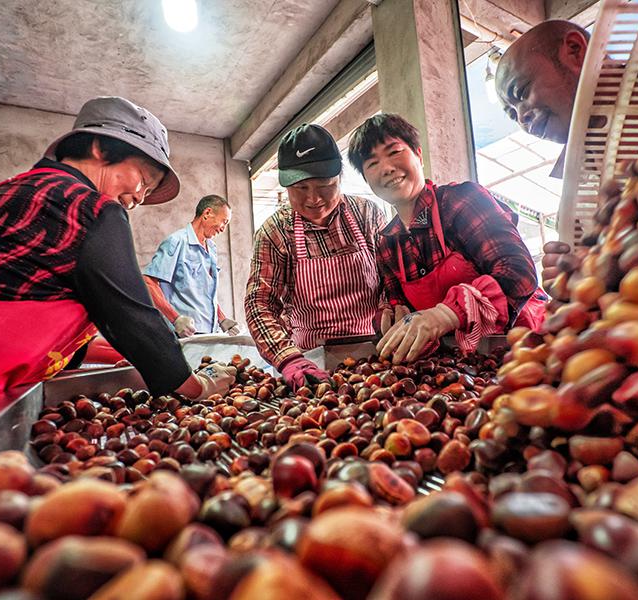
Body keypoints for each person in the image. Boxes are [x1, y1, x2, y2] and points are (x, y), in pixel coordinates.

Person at [0, 96, 235, 450]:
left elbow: (29, 298)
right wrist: (195, 386)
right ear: (100, 149)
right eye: (142, 179)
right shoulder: (90, 208)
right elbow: (130, 315)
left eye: (148, 191)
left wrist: (119, 358)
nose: (138, 197)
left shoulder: (4, 195)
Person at [347, 114, 547, 364]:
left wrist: (446, 314)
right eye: (372, 164)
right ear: (367, 180)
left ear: (418, 154)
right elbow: (400, 304)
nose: (387, 168)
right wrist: (392, 316)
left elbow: (518, 272)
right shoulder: (388, 243)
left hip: (524, 350)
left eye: (395, 152)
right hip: (460, 366)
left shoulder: (462, 201)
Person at [245, 123, 388, 388]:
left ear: (339, 177)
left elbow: (392, 278)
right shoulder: (275, 232)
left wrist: (387, 308)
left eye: (324, 185)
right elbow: (260, 303)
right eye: (300, 188)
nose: (313, 199)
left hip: (375, 354)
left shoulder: (367, 214)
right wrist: (288, 359)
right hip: (309, 363)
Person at [493, 20, 590, 178]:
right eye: (512, 115)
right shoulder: (578, 187)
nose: (521, 118)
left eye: (521, 92)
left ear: (575, 51)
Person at [143, 194, 240, 337]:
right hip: (184, 335)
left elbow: (206, 293)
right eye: (224, 222)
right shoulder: (176, 241)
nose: (223, 229)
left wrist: (222, 318)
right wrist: (176, 319)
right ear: (207, 213)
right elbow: (149, 282)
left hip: (209, 333)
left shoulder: (211, 248)